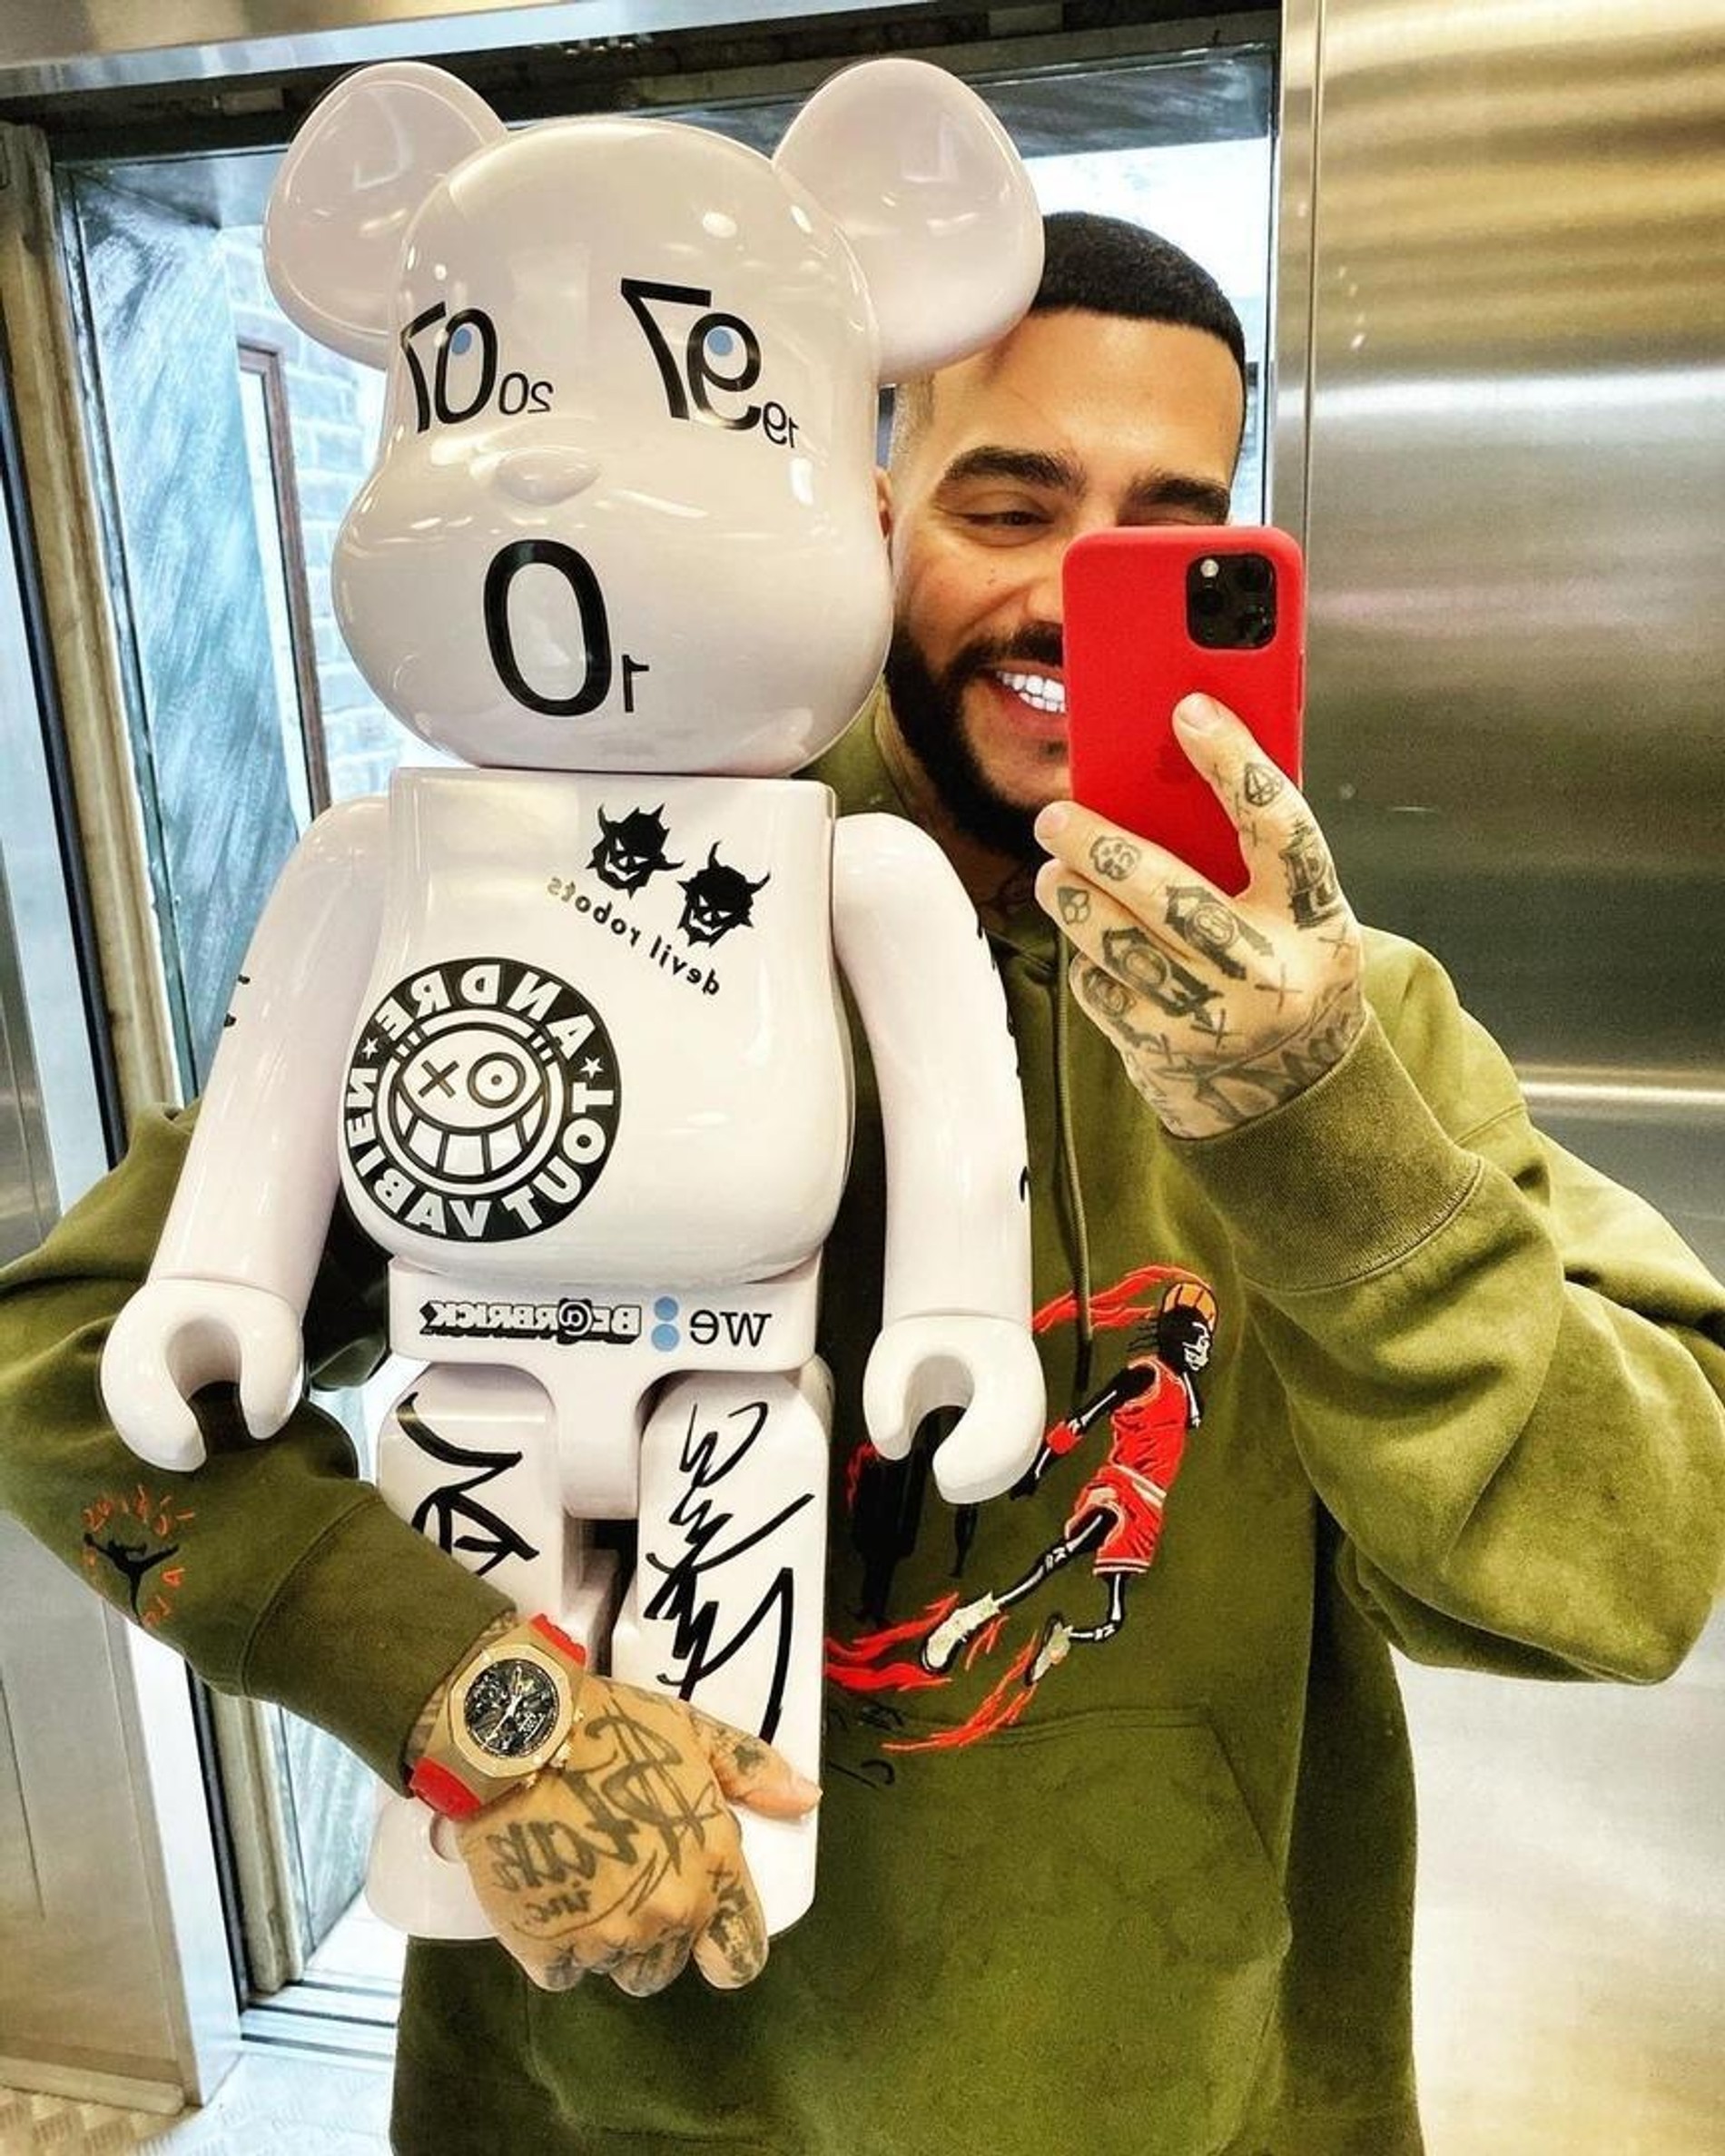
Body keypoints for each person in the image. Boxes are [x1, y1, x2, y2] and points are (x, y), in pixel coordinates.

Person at [2, 210, 1722, 2156]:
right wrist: (461, 1694)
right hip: (620, 2089)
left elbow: (1636, 1562)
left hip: (1191, 2092)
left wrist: (1314, 1144)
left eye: (1162, 530)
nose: (1072, 597)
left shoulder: (1346, 1031)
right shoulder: (579, 906)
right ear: (868, 514)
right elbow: (68, 1364)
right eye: (1008, 506)